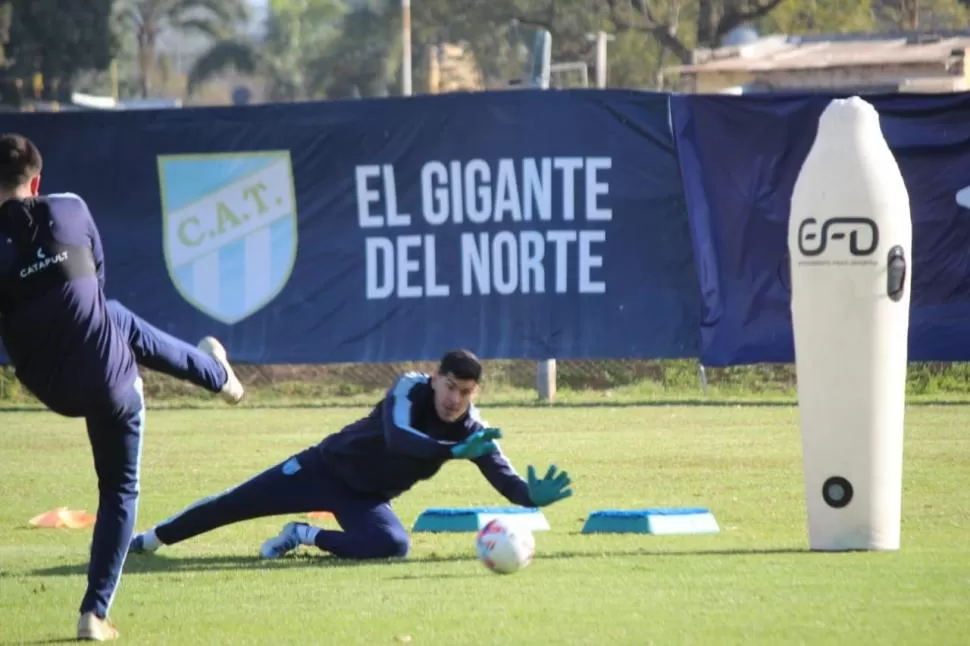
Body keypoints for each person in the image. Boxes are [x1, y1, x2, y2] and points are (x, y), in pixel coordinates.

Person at [0, 133, 244, 642]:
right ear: (37, 180)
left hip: (48, 386)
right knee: (119, 489)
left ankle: (218, 375)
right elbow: (99, 275)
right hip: (109, 380)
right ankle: (94, 612)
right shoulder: (70, 207)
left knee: (115, 318)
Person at [129, 349, 574, 561]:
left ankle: (302, 535)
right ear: (436, 379)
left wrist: (531, 496)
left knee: (393, 545)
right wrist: (454, 450)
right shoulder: (408, 387)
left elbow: (507, 480)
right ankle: (147, 540)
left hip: (365, 498)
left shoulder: (473, 429)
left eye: (466, 392)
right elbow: (400, 438)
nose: (456, 399)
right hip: (323, 468)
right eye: (451, 387)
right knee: (234, 504)